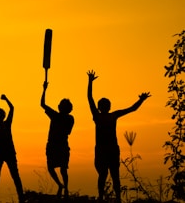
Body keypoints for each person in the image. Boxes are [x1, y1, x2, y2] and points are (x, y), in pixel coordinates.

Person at [87, 70, 151, 203]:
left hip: (108, 149)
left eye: (106, 105)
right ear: (103, 107)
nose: (105, 107)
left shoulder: (105, 116)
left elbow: (132, 109)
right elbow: (90, 99)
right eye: (104, 105)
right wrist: (90, 82)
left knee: (110, 175)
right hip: (105, 149)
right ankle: (109, 197)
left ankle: (112, 198)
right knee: (107, 175)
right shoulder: (103, 116)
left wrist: (141, 100)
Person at [40, 81, 74, 199]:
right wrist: (44, 89)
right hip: (57, 145)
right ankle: (63, 187)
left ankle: (64, 187)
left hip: (58, 145)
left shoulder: (59, 116)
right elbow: (43, 104)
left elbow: (42, 104)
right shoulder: (67, 117)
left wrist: (44, 90)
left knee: (59, 168)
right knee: (60, 168)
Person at [0, 94, 25, 203]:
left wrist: (6, 99)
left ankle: (21, 198)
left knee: (14, 175)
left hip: (8, 153)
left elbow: (12, 108)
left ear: (2, 116)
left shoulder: (6, 124)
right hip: (0, 153)